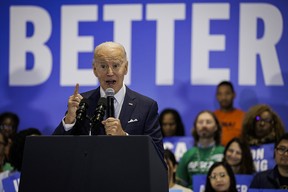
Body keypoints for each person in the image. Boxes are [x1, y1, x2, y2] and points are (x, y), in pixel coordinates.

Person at [53, 41, 164, 158]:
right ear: (95, 69)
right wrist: (69, 120)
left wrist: (124, 137)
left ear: (125, 68)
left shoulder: (146, 106)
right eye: (103, 66)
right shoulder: (82, 103)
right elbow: (55, 151)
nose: (110, 73)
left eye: (115, 66)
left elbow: (157, 155)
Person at [176, 110, 224, 189]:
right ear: (195, 127)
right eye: (200, 122)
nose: (204, 125)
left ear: (216, 127)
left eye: (208, 122)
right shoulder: (188, 154)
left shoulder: (224, 152)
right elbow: (179, 184)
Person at [214, 81, 245, 146]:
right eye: (220, 94)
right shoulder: (212, 117)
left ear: (234, 95)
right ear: (217, 96)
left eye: (227, 93)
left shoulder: (244, 116)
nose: (224, 97)